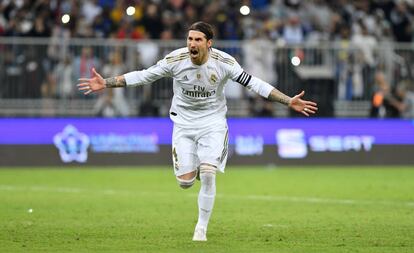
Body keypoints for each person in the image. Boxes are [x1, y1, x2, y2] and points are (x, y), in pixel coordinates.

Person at [77, 21, 318, 241]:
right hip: (183, 123)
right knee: (185, 183)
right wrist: (106, 82)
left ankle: (201, 227)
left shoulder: (225, 63)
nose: (192, 44)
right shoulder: (175, 60)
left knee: (209, 173)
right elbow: (144, 75)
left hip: (213, 122)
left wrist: (288, 101)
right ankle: (201, 169)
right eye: (190, 39)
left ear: (209, 44)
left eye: (198, 40)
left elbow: (255, 83)